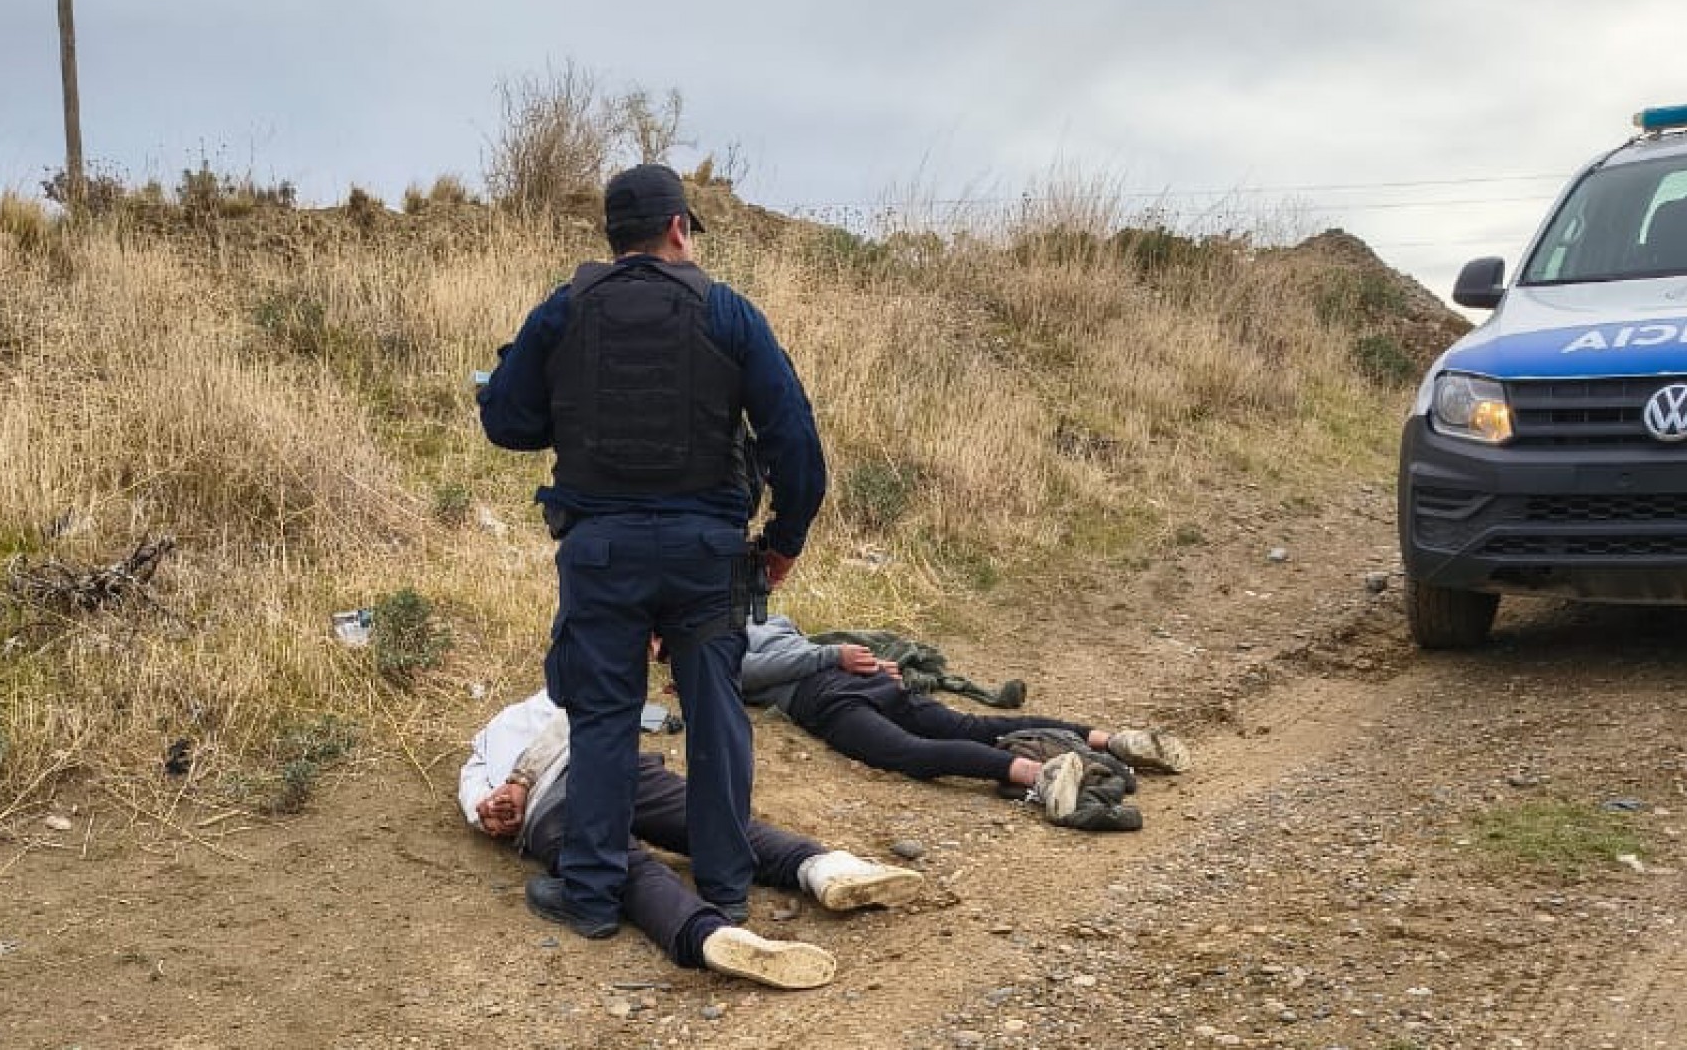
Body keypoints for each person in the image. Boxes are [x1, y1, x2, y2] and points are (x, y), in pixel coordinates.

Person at [478, 164, 826, 938]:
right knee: (716, 715)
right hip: (707, 553)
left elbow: (506, 422)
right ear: (678, 228)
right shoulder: (728, 311)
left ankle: (591, 895)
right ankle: (726, 890)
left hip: (602, 553)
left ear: (613, 235)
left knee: (603, 717)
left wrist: (573, 409)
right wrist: (783, 542)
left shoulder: (563, 310)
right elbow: (794, 439)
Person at [459, 689, 922, 989]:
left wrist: (504, 804)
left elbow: (484, 813)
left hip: (548, 810)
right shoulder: (549, 698)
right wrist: (505, 801)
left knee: (629, 873)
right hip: (615, 766)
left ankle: (711, 937)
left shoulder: (477, 760)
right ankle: (826, 869)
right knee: (715, 825)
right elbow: (589, 709)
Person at [740, 615, 1191, 830]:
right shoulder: (769, 617)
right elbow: (806, 651)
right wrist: (857, 660)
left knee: (910, 754)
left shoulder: (721, 635)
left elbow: (751, 671)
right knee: (971, 726)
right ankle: (1110, 740)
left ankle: (1040, 775)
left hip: (829, 697)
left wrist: (834, 657)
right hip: (862, 680)